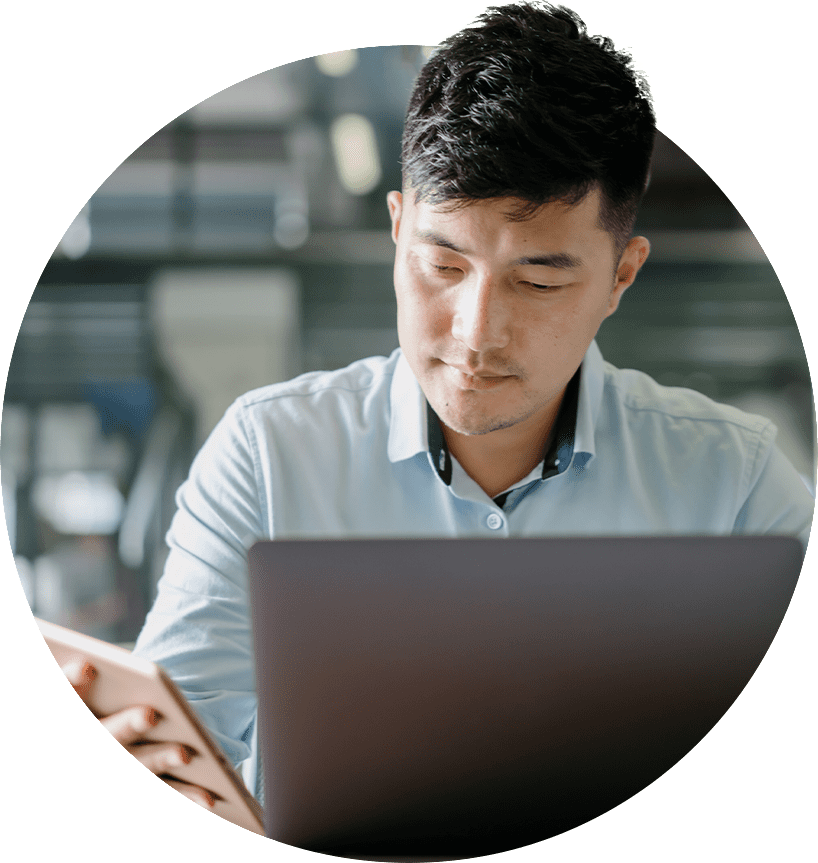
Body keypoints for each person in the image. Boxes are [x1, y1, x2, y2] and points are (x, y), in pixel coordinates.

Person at [64, 0, 813, 829]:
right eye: (442, 263)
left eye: (540, 280)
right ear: (396, 231)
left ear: (620, 277)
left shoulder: (739, 489)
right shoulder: (269, 451)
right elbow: (186, 736)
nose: (476, 332)